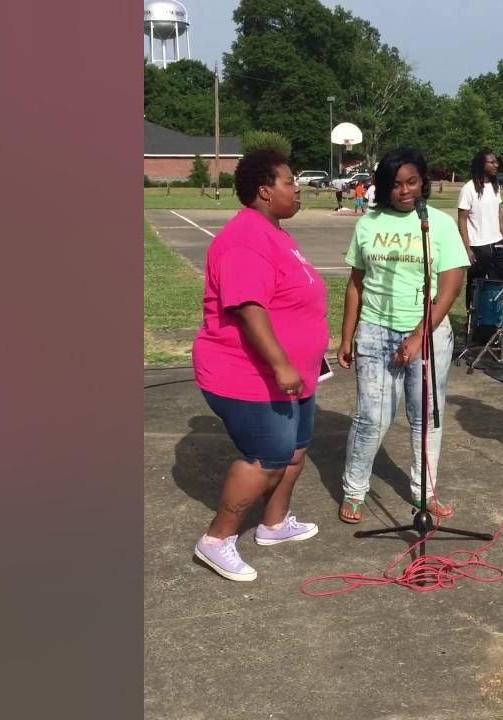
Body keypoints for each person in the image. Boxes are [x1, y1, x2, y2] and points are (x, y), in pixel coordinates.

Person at [191, 148, 329, 582]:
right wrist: (282, 363)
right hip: (247, 374)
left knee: (296, 448)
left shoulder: (274, 233)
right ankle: (216, 540)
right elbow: (249, 308)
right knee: (267, 455)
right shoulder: (246, 237)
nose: (298, 189)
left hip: (293, 375)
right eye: (290, 182)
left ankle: (273, 524)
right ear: (265, 191)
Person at [336, 147, 469, 523]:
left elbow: (451, 286)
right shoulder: (368, 224)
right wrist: (347, 336)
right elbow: (355, 284)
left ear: (423, 182)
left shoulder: (438, 224)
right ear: (384, 186)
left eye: (412, 182)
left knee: (425, 416)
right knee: (371, 416)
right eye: (396, 184)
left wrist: (418, 335)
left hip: (428, 334)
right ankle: (354, 490)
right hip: (375, 331)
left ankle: (424, 493)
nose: (405, 190)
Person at [457, 149, 503, 309]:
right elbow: (462, 220)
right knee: (476, 284)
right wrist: (467, 249)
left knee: (499, 282)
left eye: (496, 161)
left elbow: (499, 215)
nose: (496, 165)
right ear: (481, 164)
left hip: (497, 243)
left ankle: (493, 320)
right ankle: (471, 320)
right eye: (492, 162)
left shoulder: (495, 186)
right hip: (478, 245)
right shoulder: (468, 188)